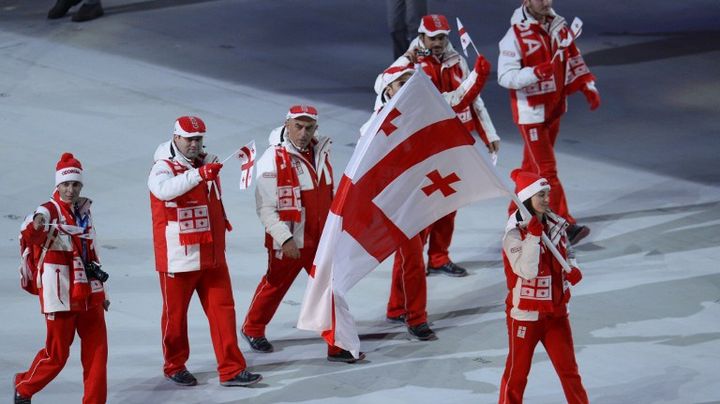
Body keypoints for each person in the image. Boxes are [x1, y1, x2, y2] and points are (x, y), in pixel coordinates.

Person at [368, 55, 491, 340]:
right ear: (387, 90)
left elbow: (459, 98)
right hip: (399, 204)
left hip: (424, 195)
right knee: (412, 259)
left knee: (408, 256)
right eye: (400, 84)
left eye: (409, 82)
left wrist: (480, 74)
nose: (407, 87)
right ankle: (417, 319)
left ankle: (397, 307)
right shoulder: (376, 126)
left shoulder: (425, 108)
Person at [242, 105, 363, 363]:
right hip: (290, 239)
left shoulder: (322, 151)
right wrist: (284, 238)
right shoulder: (272, 158)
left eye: (309, 127)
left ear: (316, 129)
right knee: (276, 285)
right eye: (298, 126)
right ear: (287, 124)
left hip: (321, 239)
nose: (303, 132)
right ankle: (252, 327)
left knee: (330, 290)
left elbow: (328, 194)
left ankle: (337, 345)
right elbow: (265, 207)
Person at [383, 14, 501, 277]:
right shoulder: (408, 64)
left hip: (455, 143)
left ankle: (439, 257)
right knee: (426, 206)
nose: (438, 42)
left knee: (450, 203)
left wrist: (488, 133)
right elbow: (385, 84)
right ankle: (414, 259)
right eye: (433, 38)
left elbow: (473, 100)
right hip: (427, 146)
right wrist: (406, 60)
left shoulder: (456, 60)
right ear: (422, 36)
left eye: (442, 37)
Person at [148, 116, 261, 387]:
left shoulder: (205, 162)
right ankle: (174, 365)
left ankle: (232, 369)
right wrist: (199, 174)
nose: (195, 145)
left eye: (199, 139)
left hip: (211, 254)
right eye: (189, 139)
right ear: (176, 138)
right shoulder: (162, 168)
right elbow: (163, 191)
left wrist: (203, 171)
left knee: (224, 312)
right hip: (178, 258)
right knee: (175, 319)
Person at [497, 0, 600, 245]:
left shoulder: (559, 26)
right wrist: (534, 73)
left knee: (530, 166)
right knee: (546, 171)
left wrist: (587, 85)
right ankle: (563, 224)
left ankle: (516, 212)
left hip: (554, 109)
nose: (546, 2)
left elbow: (573, 57)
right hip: (530, 113)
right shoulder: (514, 36)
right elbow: (505, 76)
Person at [14, 153, 109, 404]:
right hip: (60, 294)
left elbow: (92, 252)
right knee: (56, 355)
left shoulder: (85, 212)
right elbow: (29, 231)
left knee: (97, 354)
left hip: (90, 294)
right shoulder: (48, 210)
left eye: (75, 184)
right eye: (66, 184)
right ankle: (24, 387)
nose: (70, 190)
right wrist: (36, 223)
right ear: (57, 185)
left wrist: (104, 293)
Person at [498, 169, 587, 404]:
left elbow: (565, 253)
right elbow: (526, 271)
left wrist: (573, 269)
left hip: (556, 313)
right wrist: (534, 238)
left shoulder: (556, 223)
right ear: (528, 198)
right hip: (525, 316)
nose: (548, 199)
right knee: (517, 375)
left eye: (548, 194)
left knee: (570, 372)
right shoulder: (514, 235)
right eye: (542, 195)